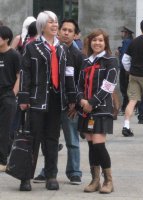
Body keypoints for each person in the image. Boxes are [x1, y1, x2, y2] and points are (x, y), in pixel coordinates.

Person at [18, 11, 76, 191]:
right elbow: (24, 73)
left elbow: (68, 74)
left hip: (56, 99)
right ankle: (25, 177)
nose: (55, 25)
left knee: (52, 139)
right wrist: (23, 97)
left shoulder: (62, 48)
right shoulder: (31, 46)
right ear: (42, 25)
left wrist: (72, 97)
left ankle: (51, 175)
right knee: (32, 139)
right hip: (36, 99)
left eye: (56, 22)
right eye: (51, 22)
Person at [33, 19, 84, 185]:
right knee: (48, 140)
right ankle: (47, 171)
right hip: (51, 102)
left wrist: (75, 103)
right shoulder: (48, 49)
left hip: (69, 105)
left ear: (76, 35)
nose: (66, 33)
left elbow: (79, 82)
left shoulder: (78, 55)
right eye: (64, 29)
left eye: (70, 31)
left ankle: (74, 172)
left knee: (72, 141)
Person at [77, 28, 118, 193]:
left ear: (105, 43)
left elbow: (109, 86)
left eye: (100, 40)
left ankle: (109, 181)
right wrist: (81, 99)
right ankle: (95, 180)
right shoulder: (86, 61)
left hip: (101, 109)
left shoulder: (111, 61)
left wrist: (92, 102)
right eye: (94, 40)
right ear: (89, 42)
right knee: (91, 145)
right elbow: (78, 83)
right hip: (86, 109)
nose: (97, 43)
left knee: (99, 145)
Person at [0, 25, 20, 172]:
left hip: (8, 95)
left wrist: (13, 93)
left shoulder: (14, 55)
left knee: (5, 129)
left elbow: (20, 76)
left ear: (6, 39)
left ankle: (2, 159)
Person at [122, 20, 143, 137]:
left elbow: (125, 60)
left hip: (135, 75)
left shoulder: (134, 42)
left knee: (132, 101)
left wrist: (130, 70)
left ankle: (126, 126)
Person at [117, 26, 134, 115]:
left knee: (124, 88)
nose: (121, 33)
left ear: (126, 33)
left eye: (123, 32)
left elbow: (125, 55)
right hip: (127, 68)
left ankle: (125, 107)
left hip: (125, 69)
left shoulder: (127, 42)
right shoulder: (129, 41)